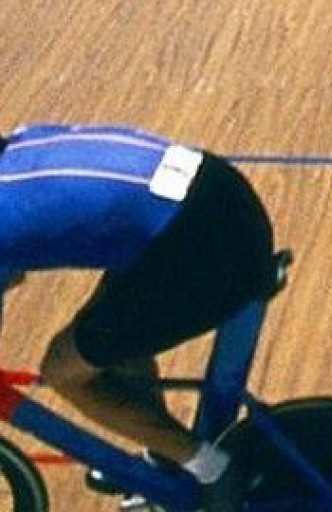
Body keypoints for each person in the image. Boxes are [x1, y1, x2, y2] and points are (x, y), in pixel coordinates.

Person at [0, 123, 278, 510]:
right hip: (217, 194)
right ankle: (164, 461)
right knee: (105, 341)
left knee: (63, 368)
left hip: (203, 247)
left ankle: (216, 470)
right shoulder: (25, 140)